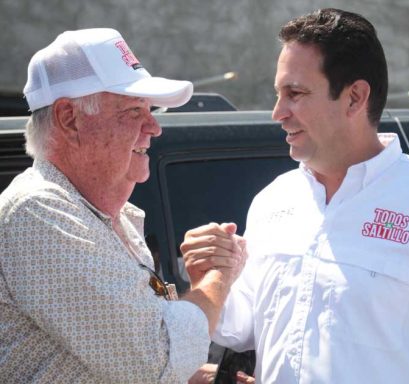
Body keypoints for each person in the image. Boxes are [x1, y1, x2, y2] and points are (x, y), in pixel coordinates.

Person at [181, 8, 409, 384]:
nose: (277, 112)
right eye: (278, 94)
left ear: (355, 97)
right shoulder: (273, 200)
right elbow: (241, 328)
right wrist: (210, 278)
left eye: (295, 94)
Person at [0, 28, 246, 384]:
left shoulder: (106, 217)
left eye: (150, 110)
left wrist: (204, 377)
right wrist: (217, 278)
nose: (154, 127)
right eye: (133, 111)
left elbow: (123, 359)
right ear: (69, 118)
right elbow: (157, 357)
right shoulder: (38, 211)